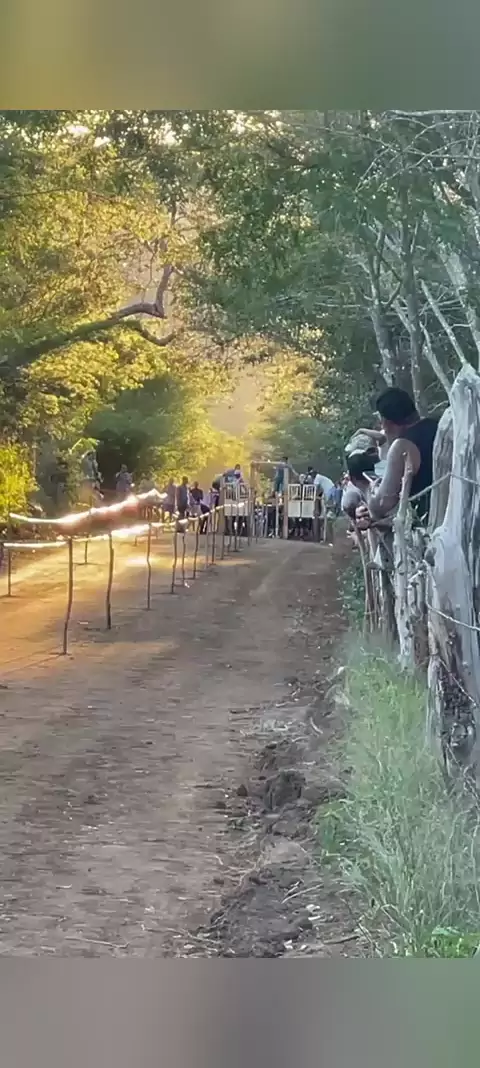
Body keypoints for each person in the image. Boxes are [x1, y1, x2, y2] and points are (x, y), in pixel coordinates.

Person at [357, 388, 438, 528]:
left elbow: (383, 504)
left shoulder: (402, 446)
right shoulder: (437, 426)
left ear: (386, 422)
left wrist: (367, 489)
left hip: (425, 525)